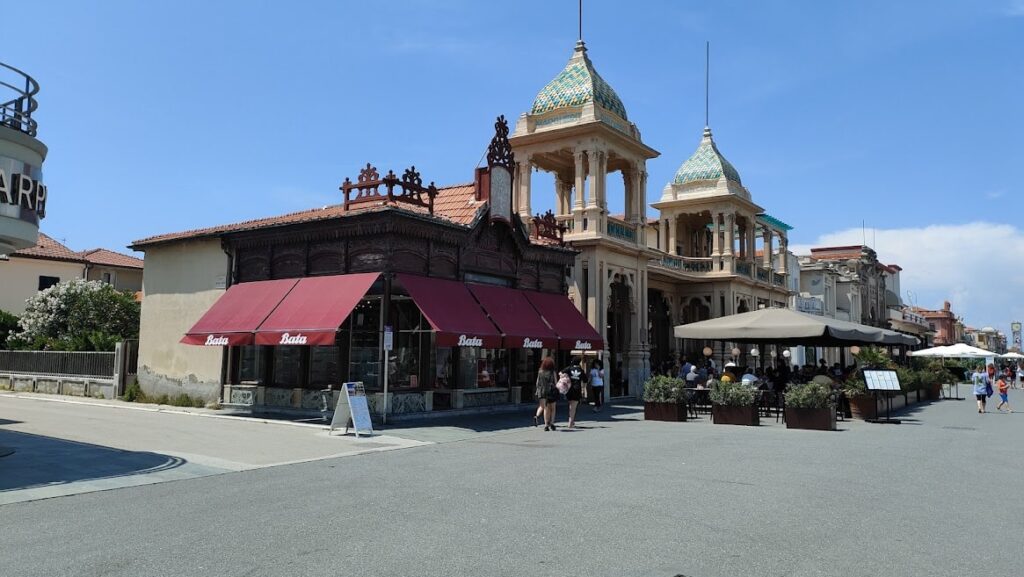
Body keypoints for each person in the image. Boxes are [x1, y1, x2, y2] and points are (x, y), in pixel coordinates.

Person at [534, 357, 559, 431]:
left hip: (542, 391)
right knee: (553, 408)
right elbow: (556, 382)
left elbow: (537, 383)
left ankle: (546, 425)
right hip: (551, 392)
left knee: (545, 408)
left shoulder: (540, 371)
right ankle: (552, 423)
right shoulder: (552, 372)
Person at [561, 357, 586, 427]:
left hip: (569, 389)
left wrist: (565, 377)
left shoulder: (569, 368)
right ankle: (571, 421)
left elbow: (560, 373)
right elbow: (585, 380)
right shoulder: (580, 370)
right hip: (577, 389)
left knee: (570, 406)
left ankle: (571, 420)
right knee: (573, 407)